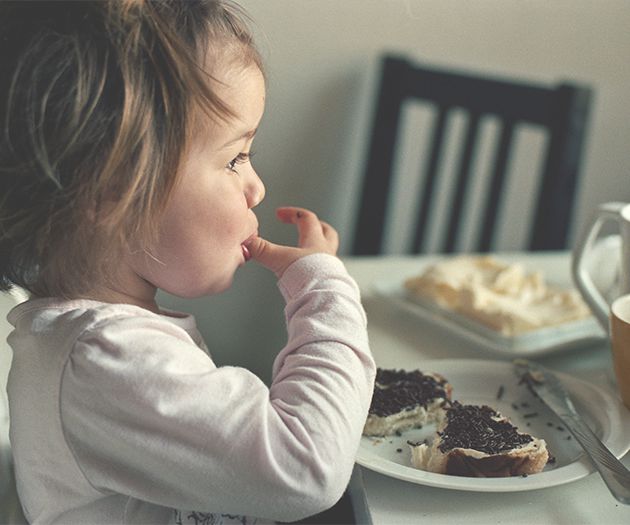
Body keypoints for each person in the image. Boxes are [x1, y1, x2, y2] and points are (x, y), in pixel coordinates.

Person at [0, 1, 375, 524]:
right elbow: (307, 467)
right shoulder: (104, 360)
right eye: (234, 158)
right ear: (115, 192)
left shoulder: (100, 344)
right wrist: (325, 289)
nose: (257, 186)